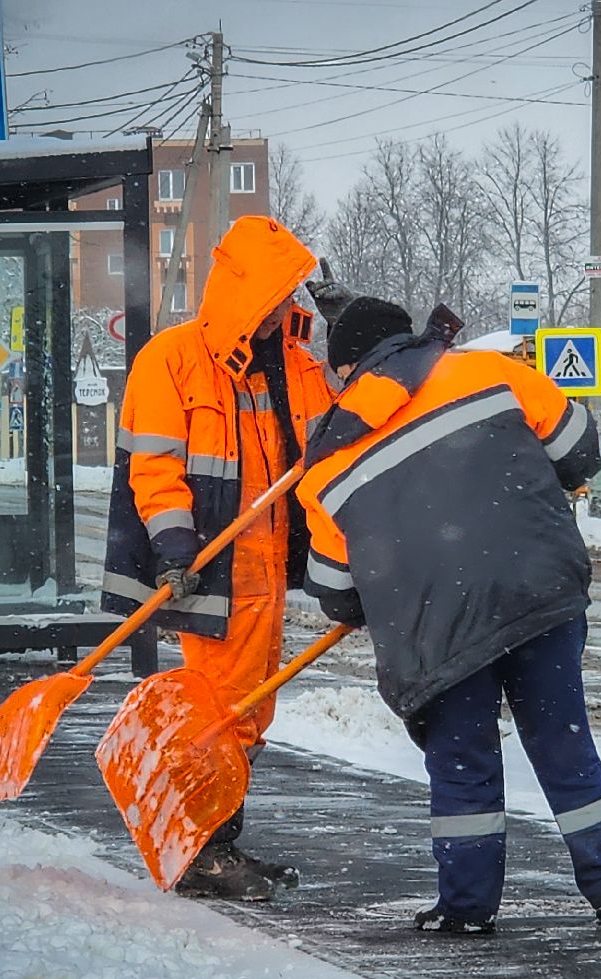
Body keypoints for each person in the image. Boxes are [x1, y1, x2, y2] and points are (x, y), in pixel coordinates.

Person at [297, 297, 601, 935]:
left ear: (347, 369)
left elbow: (333, 590)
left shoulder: (328, 459)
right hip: (539, 593)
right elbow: (577, 449)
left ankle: (468, 907)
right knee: (564, 746)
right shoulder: (489, 372)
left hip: (438, 632)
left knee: (463, 763)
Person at [102, 215, 336, 902]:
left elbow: (339, 438)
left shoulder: (295, 363)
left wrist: (358, 350)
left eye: (287, 295)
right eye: (271, 296)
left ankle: (219, 839)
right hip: (207, 563)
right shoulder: (172, 360)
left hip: (268, 565)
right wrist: (174, 547)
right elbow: (155, 467)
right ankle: (201, 850)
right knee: (220, 710)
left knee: (250, 710)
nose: (280, 309)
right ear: (240, 293)